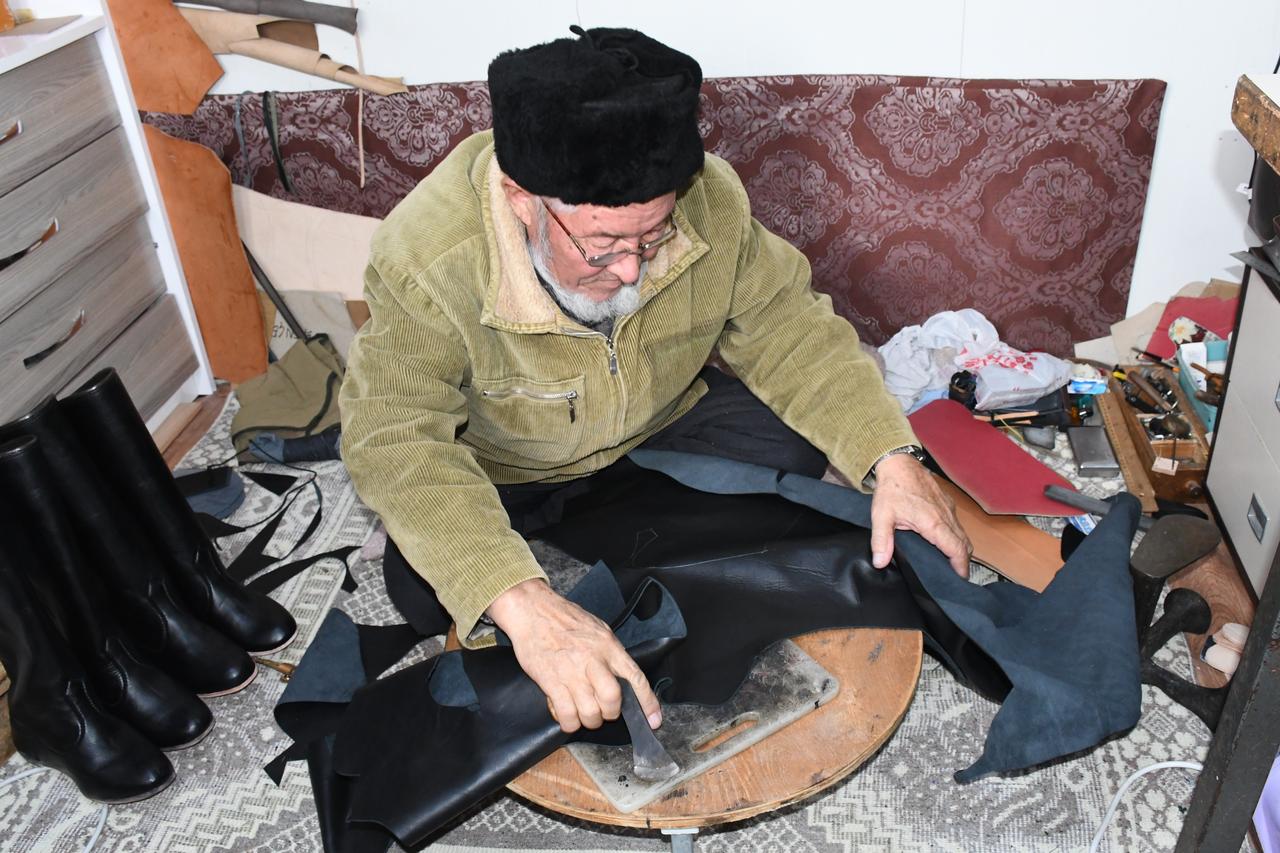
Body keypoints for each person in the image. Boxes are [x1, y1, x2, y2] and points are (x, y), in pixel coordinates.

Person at [339, 26, 970, 739]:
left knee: (801, 453)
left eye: (652, 236)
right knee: (436, 589)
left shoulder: (711, 205)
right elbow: (392, 435)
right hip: (504, 470)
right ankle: (568, 563)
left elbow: (787, 327)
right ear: (521, 198)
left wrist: (894, 456)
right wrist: (518, 598)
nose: (633, 271)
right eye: (602, 247)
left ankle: (613, 541)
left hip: (655, 428)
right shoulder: (429, 256)